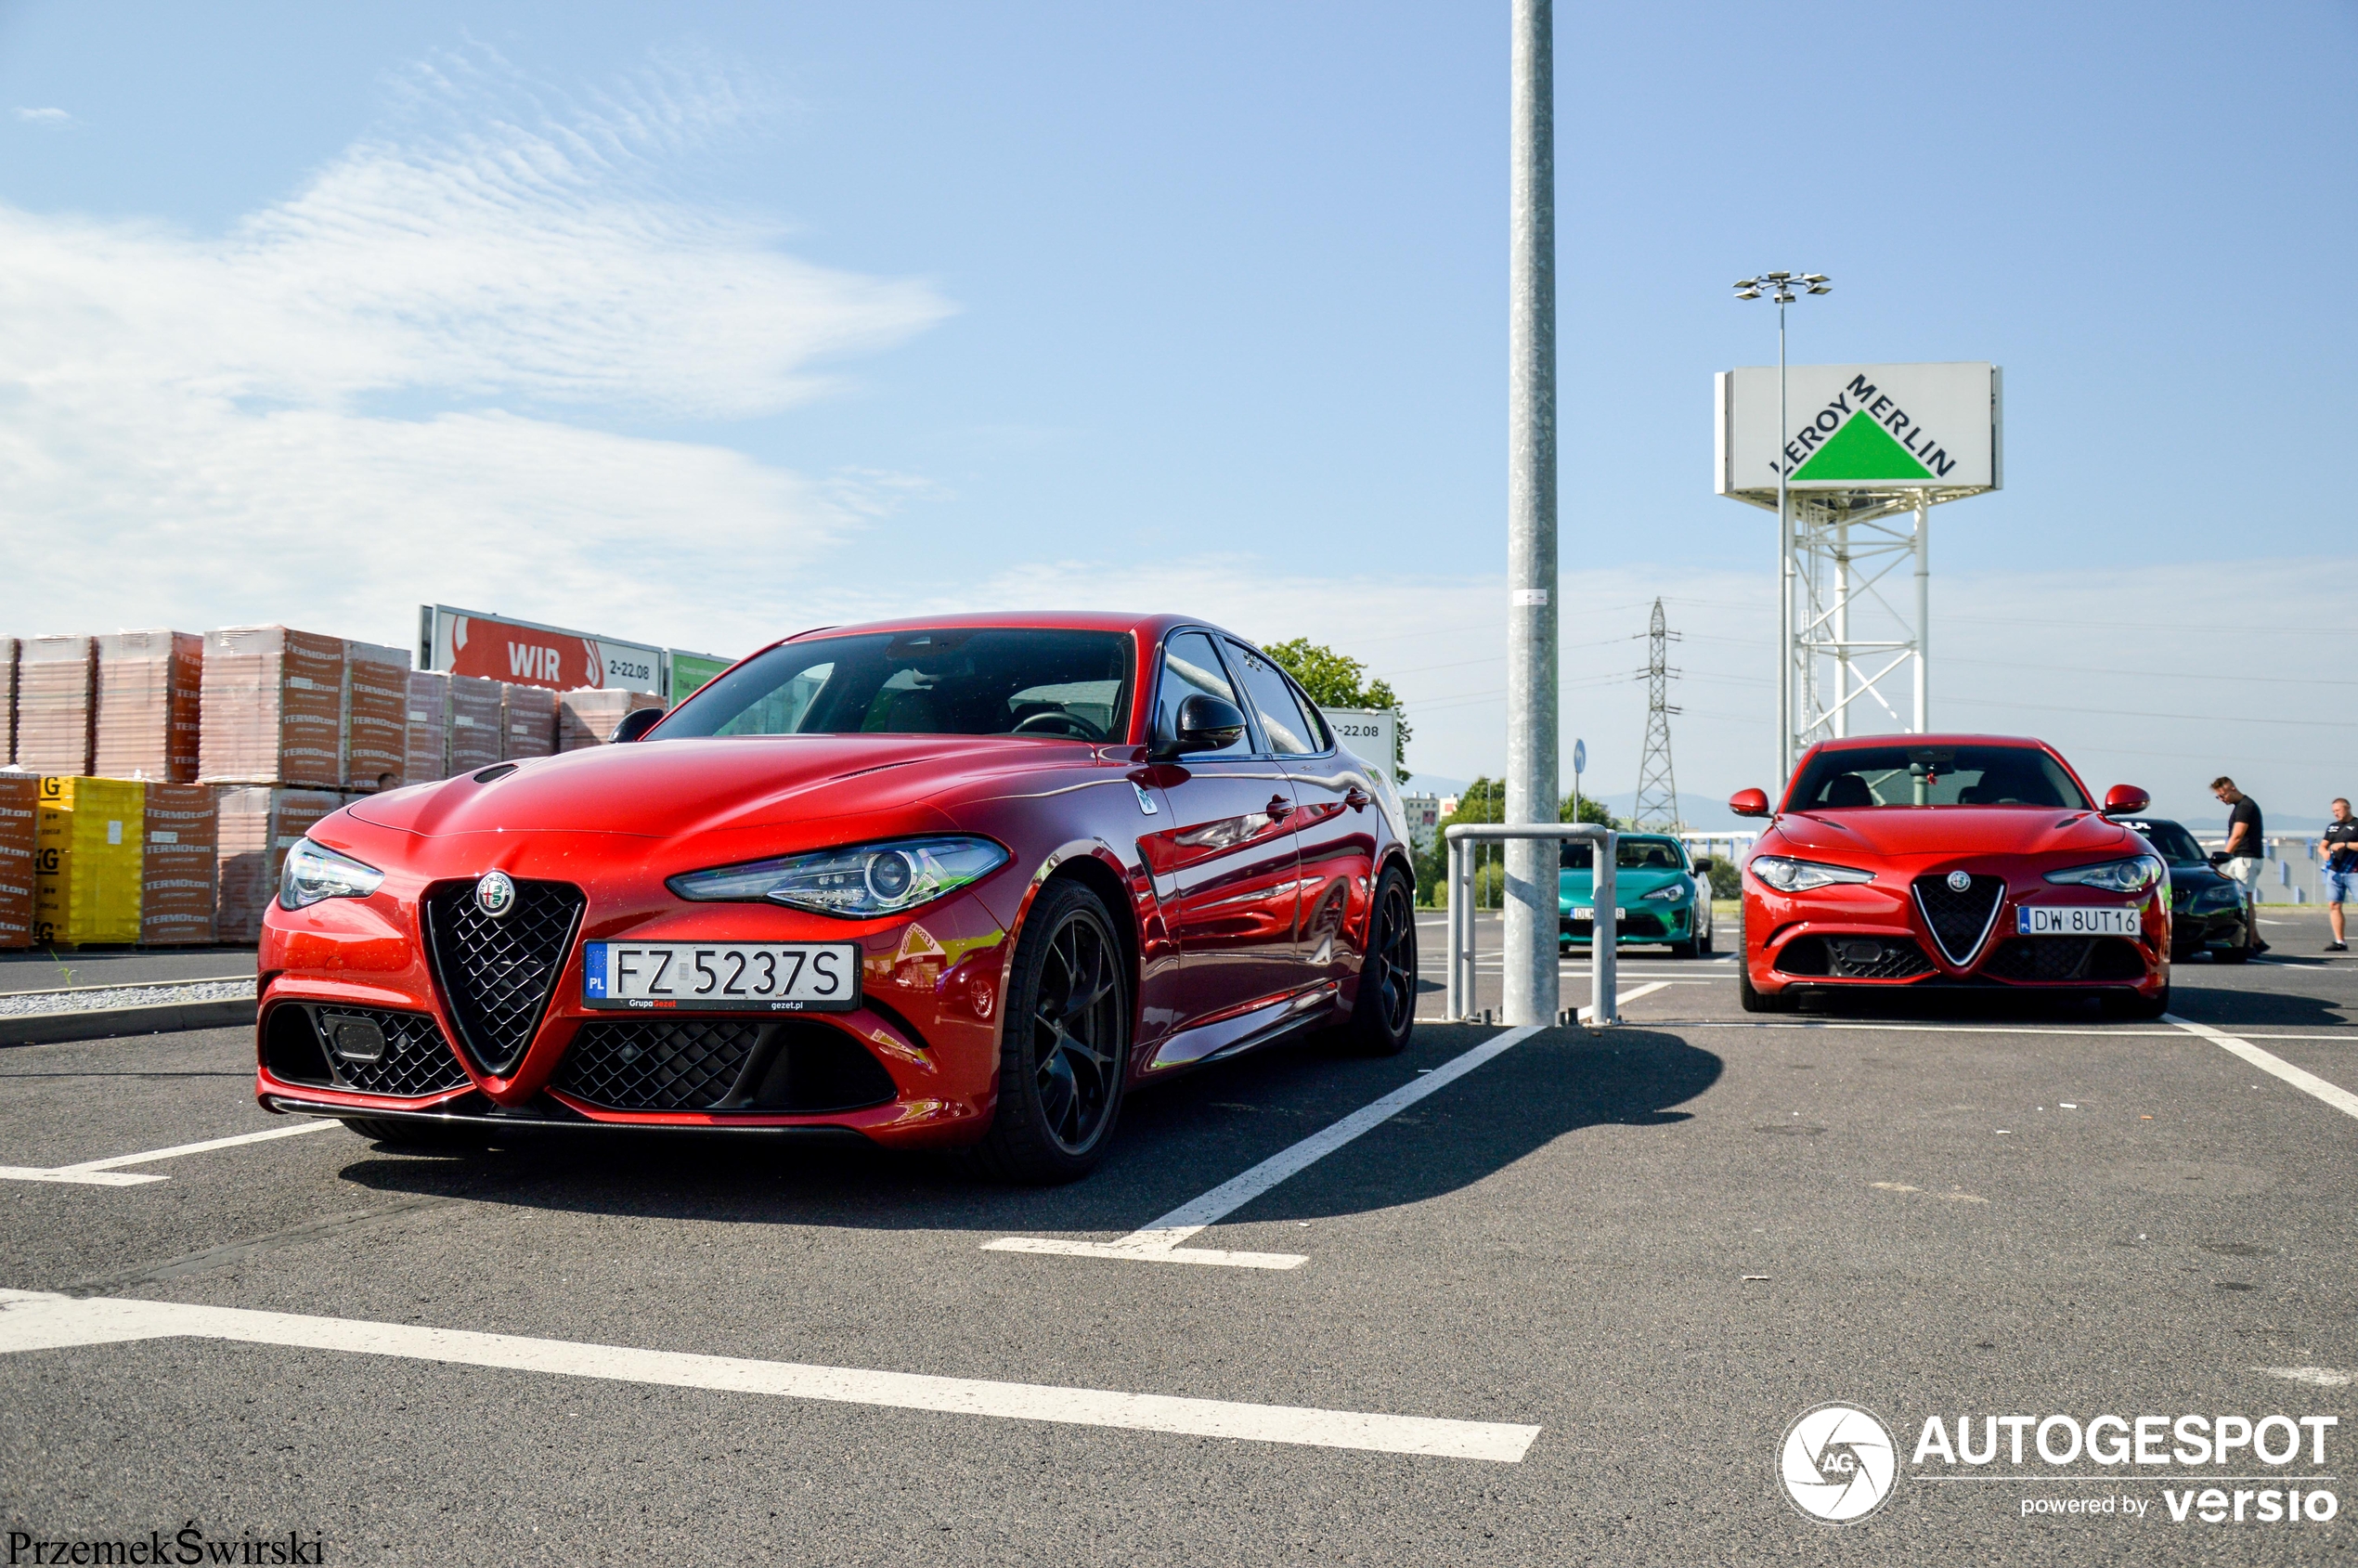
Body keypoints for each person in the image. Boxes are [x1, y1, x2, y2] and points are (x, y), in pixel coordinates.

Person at [2210, 777, 2269, 953]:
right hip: (2241, 858)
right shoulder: (2242, 807)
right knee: (2243, 899)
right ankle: (2257, 940)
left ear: (2232, 789)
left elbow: (2237, 835)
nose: (2222, 799)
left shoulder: (2245, 807)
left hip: (2246, 859)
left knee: (2245, 901)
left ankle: (2249, 943)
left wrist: (2223, 856)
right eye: (2218, 797)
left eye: (2223, 795)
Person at [2322, 797, 2358, 952]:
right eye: (2334, 812)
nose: (2336, 814)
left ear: (2347, 808)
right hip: (2335, 871)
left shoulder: (2357, 825)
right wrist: (2324, 852)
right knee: (2334, 905)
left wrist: (2345, 845)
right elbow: (2323, 845)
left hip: (2354, 871)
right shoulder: (2332, 828)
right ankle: (2339, 941)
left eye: (2338, 810)